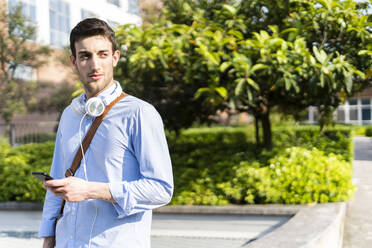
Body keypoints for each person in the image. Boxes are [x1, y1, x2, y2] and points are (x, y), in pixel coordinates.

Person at [39, 18, 174, 248]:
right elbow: (57, 177)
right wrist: (48, 237)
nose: (95, 65)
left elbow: (161, 189)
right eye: (85, 56)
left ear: (115, 58)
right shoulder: (70, 115)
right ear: (74, 61)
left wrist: (91, 190)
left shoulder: (139, 113)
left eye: (102, 54)